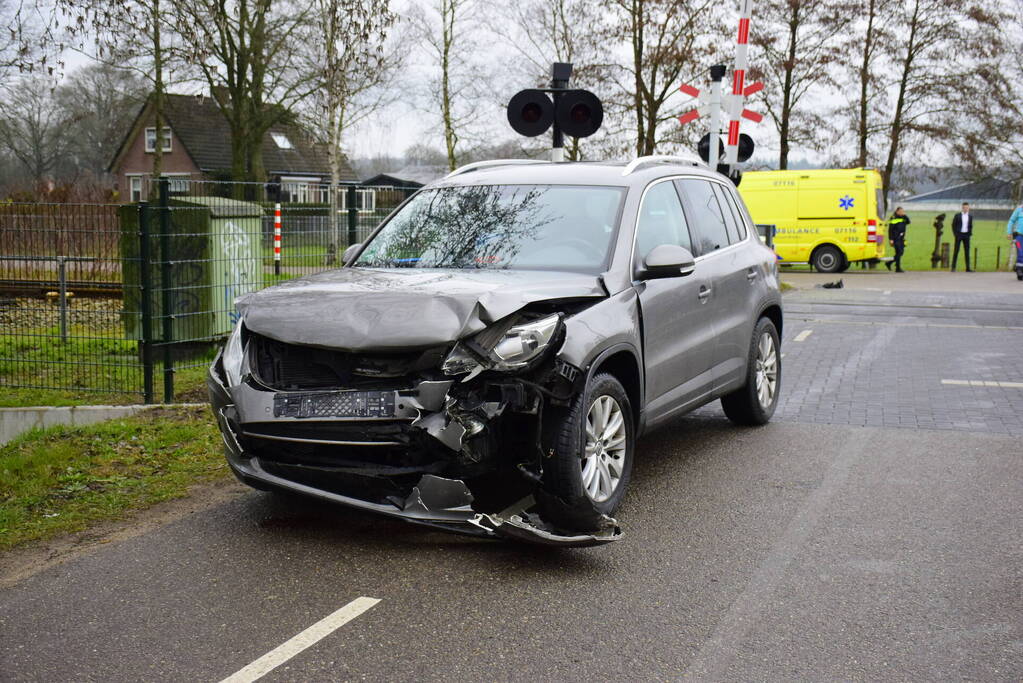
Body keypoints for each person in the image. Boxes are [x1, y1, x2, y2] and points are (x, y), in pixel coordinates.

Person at [950, 202, 973, 272]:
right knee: (956, 251)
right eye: (964, 208)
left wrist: (969, 233)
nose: (966, 209)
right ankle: (953, 267)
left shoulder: (970, 216)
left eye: (967, 208)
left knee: (967, 251)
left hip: (966, 235)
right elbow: (953, 225)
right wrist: (955, 234)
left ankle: (968, 268)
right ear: (962, 208)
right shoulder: (957, 216)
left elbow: (970, 226)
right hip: (959, 235)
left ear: (969, 208)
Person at [886, 207, 910, 272]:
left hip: (901, 238)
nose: (902, 212)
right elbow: (890, 229)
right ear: (897, 211)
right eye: (901, 211)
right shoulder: (893, 217)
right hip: (895, 238)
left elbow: (908, 222)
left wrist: (904, 215)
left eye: (903, 211)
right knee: (899, 252)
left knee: (900, 253)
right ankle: (896, 266)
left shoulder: (903, 217)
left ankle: (892, 264)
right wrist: (891, 239)